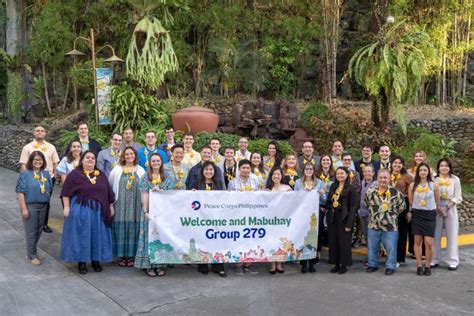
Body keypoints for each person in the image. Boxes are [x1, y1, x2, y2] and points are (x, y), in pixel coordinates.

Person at [60, 151, 115, 274]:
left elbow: (108, 192)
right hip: (81, 210)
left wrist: (111, 206)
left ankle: (96, 260)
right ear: (82, 160)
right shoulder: (75, 174)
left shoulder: (100, 174)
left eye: (93, 158)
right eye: (87, 158)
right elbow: (65, 192)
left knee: (97, 235)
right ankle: (82, 262)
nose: (90, 160)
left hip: (99, 213)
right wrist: (67, 207)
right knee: (83, 236)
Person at [109, 146, 146, 268]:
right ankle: (121, 255)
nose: (129, 156)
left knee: (134, 227)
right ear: (123, 156)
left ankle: (131, 255)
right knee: (120, 226)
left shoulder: (140, 170)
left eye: (132, 154)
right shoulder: (117, 170)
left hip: (136, 205)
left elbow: (145, 189)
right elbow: (110, 186)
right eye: (127, 154)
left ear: (135, 156)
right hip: (120, 204)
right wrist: (111, 205)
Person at [19, 125, 60, 233]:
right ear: (34, 133)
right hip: (32, 180)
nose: (40, 132)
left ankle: (44, 224)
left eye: (42, 131)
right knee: (32, 201)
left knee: (46, 201)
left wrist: (55, 176)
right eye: (37, 130)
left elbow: (55, 162)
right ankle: (32, 221)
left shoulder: (51, 147)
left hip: (48, 179)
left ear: (45, 133)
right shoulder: (27, 147)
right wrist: (26, 178)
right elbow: (23, 163)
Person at [365, 169, 406, 275]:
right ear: (377, 179)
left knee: (391, 247)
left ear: (389, 179)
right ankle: (372, 264)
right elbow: (367, 204)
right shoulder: (370, 192)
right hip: (373, 224)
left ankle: (390, 266)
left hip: (390, 226)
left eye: (385, 178)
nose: (383, 180)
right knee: (372, 247)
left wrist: (390, 216)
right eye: (381, 177)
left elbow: (402, 207)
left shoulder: (395, 192)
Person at [16, 151, 52, 265]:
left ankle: (32, 252)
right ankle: (31, 256)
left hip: (43, 206)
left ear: (43, 161)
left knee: (39, 230)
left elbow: (49, 189)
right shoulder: (25, 174)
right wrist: (24, 209)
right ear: (31, 161)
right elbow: (20, 192)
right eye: (35, 159)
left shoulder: (46, 174)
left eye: (40, 159)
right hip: (30, 206)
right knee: (31, 231)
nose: (37, 161)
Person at [135, 153, 166, 277]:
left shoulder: (167, 176)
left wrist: (161, 191)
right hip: (149, 212)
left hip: (163, 213)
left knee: (160, 239)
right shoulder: (145, 177)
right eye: (153, 161)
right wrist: (145, 211)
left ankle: (159, 265)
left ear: (161, 162)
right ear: (149, 163)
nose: (156, 163)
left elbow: (171, 193)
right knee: (149, 238)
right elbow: (144, 194)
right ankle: (147, 265)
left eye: (158, 161)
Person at [407, 163, 440, 276]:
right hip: (417, 214)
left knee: (429, 243)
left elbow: (437, 201)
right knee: (417, 241)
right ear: (418, 172)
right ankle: (419, 265)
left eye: (425, 170)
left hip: (430, 214)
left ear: (428, 172)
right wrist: (411, 212)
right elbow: (411, 202)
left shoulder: (434, 185)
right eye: (420, 170)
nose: (422, 172)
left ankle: (428, 265)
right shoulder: (412, 185)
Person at [228, 159, 260, 276]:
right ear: (239, 169)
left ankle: (249, 265)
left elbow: (260, 197)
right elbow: (228, 199)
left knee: (251, 239)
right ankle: (239, 265)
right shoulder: (233, 182)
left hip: (252, 215)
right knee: (238, 240)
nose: (246, 170)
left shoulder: (255, 180)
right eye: (243, 168)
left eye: (248, 168)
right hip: (238, 216)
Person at [195, 161, 227, 277]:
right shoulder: (198, 183)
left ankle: (217, 266)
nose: (209, 172)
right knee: (202, 240)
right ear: (202, 171)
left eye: (211, 170)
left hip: (216, 217)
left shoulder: (218, 183)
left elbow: (224, 198)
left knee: (216, 240)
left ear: (214, 172)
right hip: (201, 217)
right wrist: (193, 193)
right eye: (206, 170)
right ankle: (203, 264)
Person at [432, 158, 462, 271]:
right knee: (436, 234)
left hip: (451, 206)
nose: (444, 168)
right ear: (438, 167)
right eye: (441, 165)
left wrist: (447, 207)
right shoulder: (434, 179)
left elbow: (458, 196)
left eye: (446, 165)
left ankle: (453, 260)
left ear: (449, 167)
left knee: (452, 233)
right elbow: (431, 194)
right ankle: (434, 259)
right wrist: (439, 207)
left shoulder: (455, 179)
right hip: (437, 206)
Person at [295, 162, 324, 273]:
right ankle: (303, 263)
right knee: (303, 237)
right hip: (302, 214)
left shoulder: (319, 182)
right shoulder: (298, 183)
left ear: (313, 170)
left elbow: (324, 200)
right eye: (307, 168)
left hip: (315, 213)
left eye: (311, 168)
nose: (309, 170)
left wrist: (321, 193)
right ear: (304, 170)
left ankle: (312, 262)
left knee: (314, 236)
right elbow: (295, 198)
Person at [327, 167, 357, 274]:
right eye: (338, 173)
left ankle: (343, 265)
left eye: (342, 173)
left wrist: (350, 223)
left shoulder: (351, 189)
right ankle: (336, 264)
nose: (339, 175)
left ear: (347, 175)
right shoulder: (333, 186)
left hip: (344, 218)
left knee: (344, 243)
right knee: (333, 242)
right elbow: (329, 201)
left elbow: (353, 208)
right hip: (333, 218)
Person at [265, 167, 292, 274]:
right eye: (274, 174)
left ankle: (279, 264)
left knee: (281, 241)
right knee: (271, 241)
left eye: (278, 174)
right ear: (271, 176)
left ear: (282, 176)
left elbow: (294, 202)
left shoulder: (287, 188)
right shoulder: (267, 189)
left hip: (283, 219)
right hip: (270, 220)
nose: (276, 176)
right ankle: (272, 264)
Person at [390, 155, 414, 266]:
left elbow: (411, 194)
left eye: (399, 163)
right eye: (395, 162)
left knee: (402, 233)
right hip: (388, 206)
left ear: (402, 165)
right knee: (390, 233)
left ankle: (399, 258)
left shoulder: (407, 177)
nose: (397, 165)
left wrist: (410, 210)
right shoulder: (387, 175)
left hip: (403, 205)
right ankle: (390, 255)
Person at [315, 154, 335, 261]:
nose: (326, 161)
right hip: (319, 205)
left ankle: (332, 254)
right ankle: (317, 252)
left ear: (331, 162)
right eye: (324, 160)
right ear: (321, 162)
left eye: (328, 160)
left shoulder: (335, 175)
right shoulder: (317, 175)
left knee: (330, 230)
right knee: (319, 229)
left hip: (331, 205)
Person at [342, 153, 362, 245]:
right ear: (342, 161)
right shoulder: (338, 172)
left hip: (352, 201)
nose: (347, 161)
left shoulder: (356, 174)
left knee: (352, 221)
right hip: (341, 201)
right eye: (345, 160)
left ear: (351, 161)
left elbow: (358, 188)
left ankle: (352, 239)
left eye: (349, 160)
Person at [358, 165, 375, 251]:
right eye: (365, 171)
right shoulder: (361, 183)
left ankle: (373, 256)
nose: (367, 173)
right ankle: (370, 254)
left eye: (369, 171)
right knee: (366, 234)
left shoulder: (376, 184)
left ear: (373, 173)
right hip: (362, 212)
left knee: (372, 235)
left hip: (371, 213)